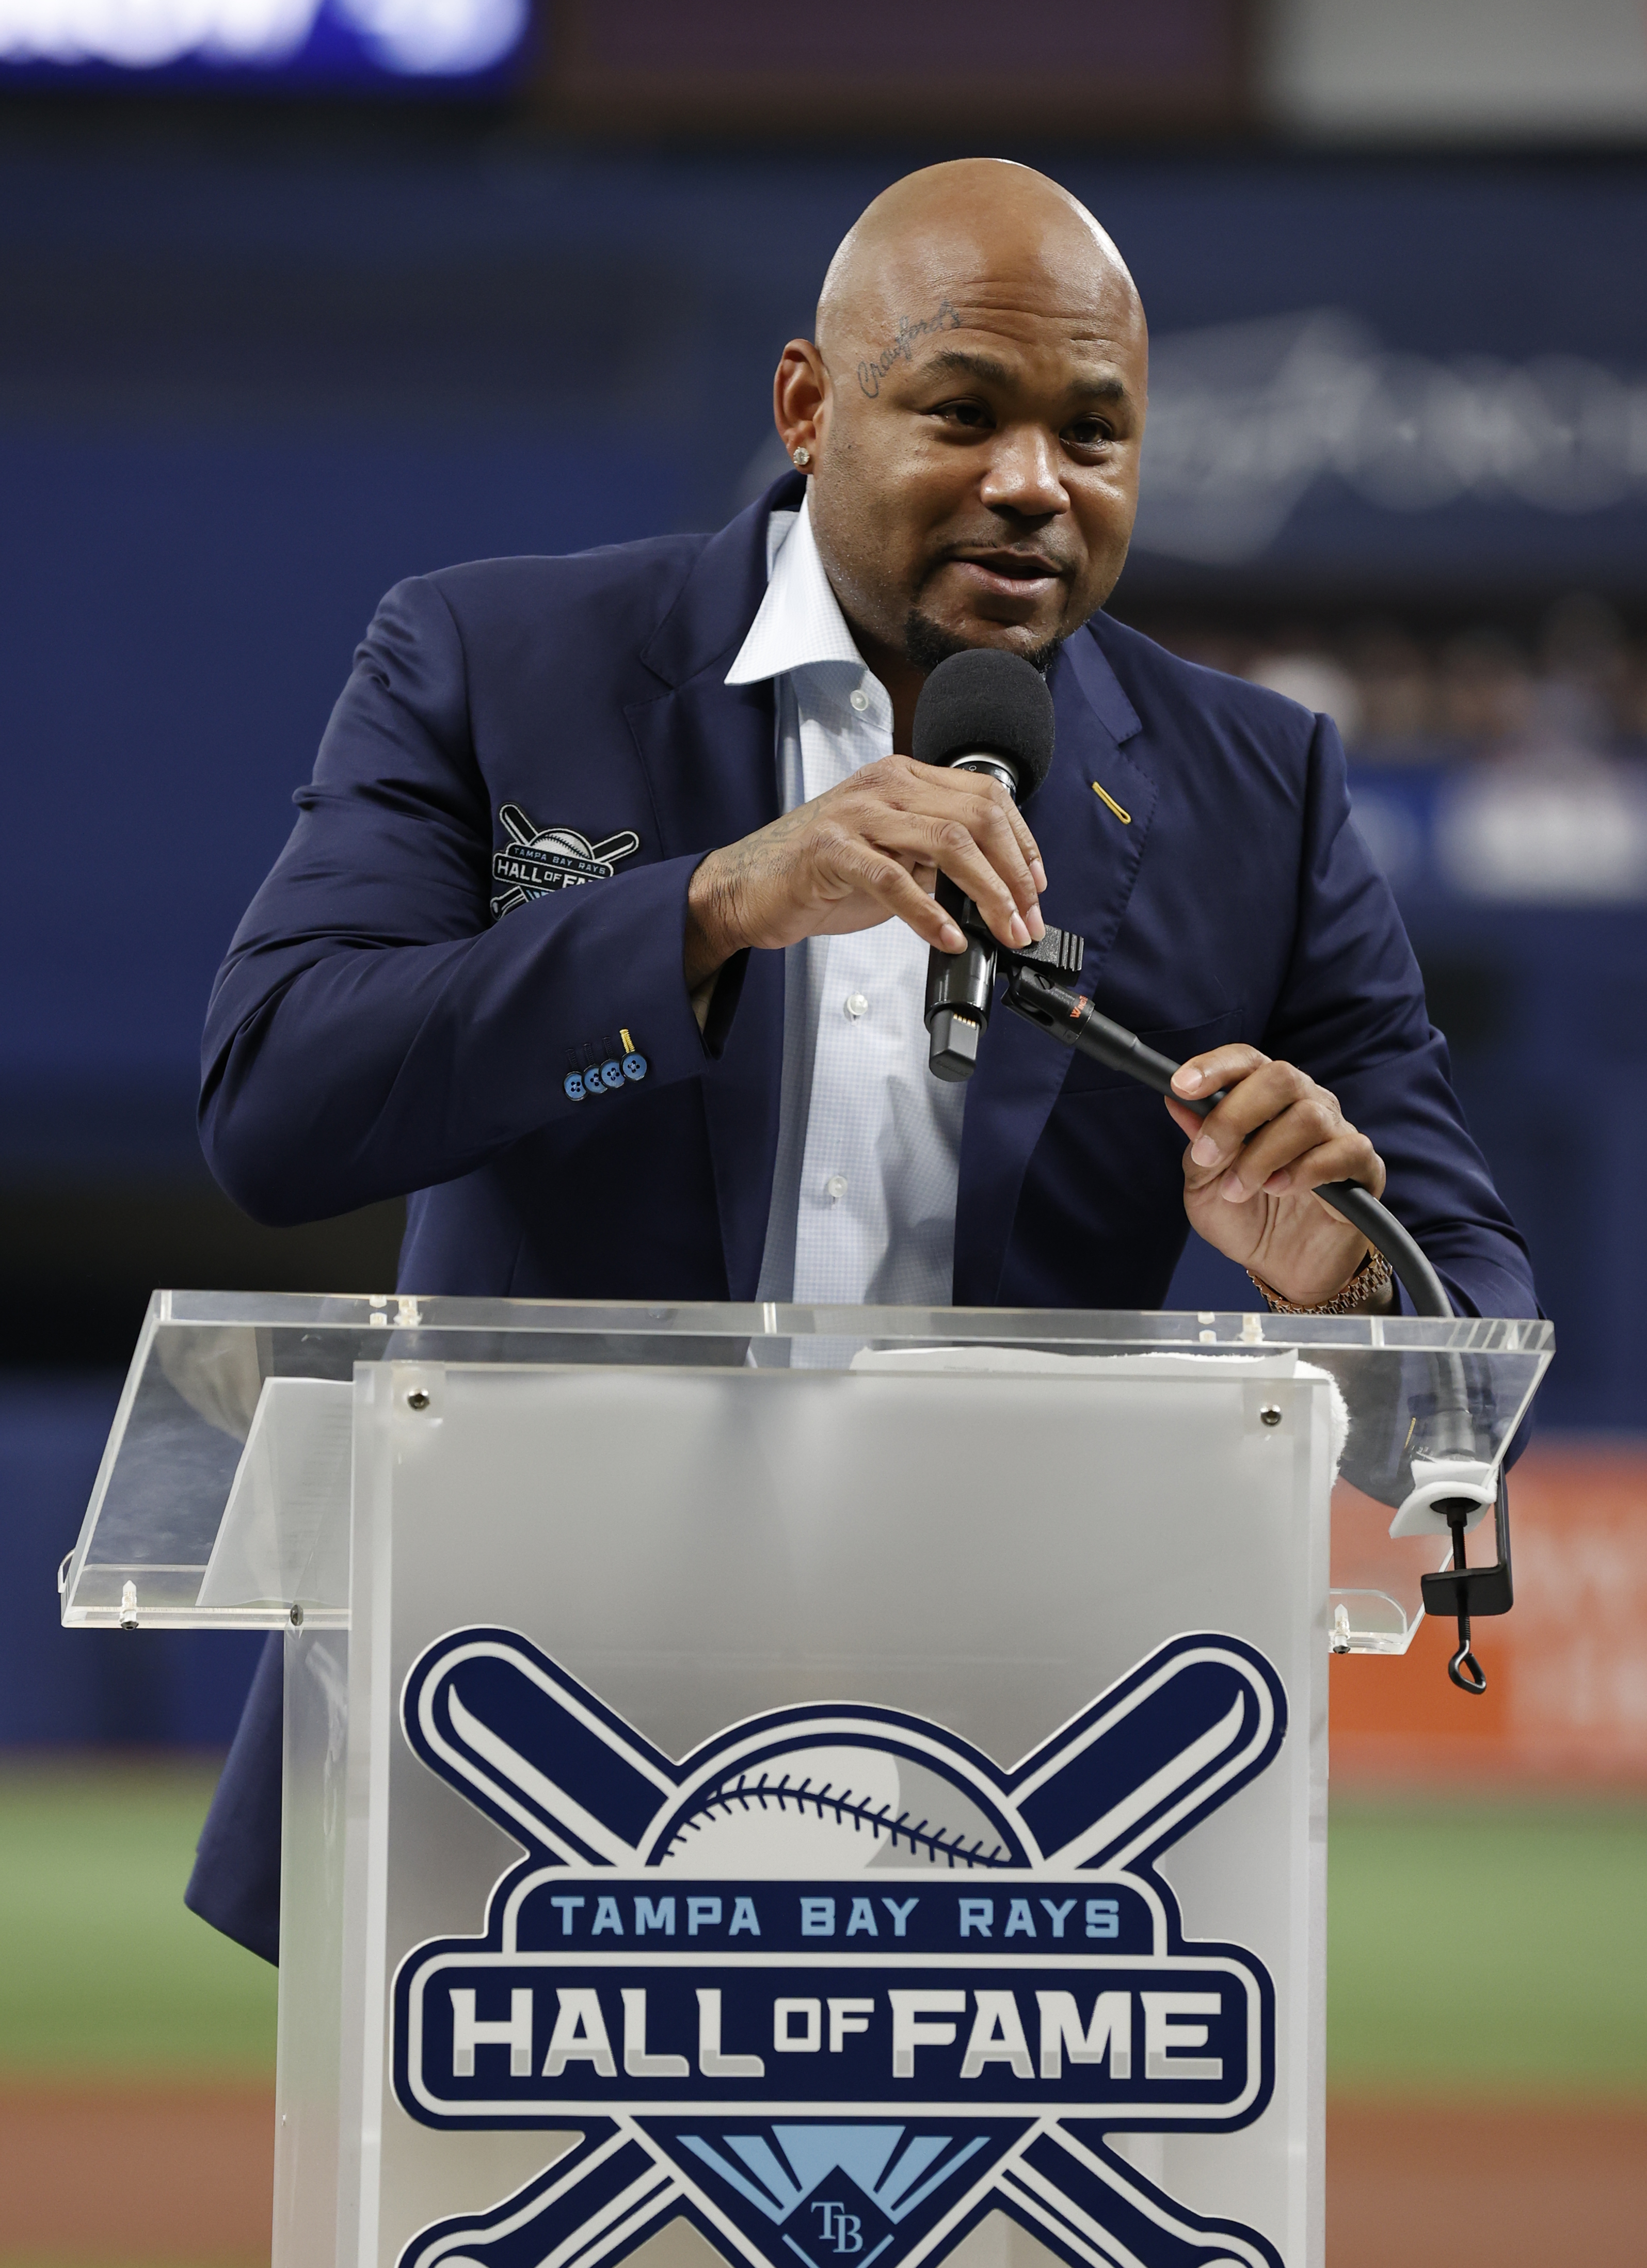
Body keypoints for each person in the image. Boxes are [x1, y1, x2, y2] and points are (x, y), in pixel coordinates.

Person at [187, 159, 1535, 1961]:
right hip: (507, 1751)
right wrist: (709, 912)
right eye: (964, 412)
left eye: (1097, 433)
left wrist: (1354, 1278)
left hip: (1017, 1813)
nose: (1036, 485)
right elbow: (278, 1099)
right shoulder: (494, 659)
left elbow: (1466, 1309)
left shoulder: (1258, 789)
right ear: (810, 408)